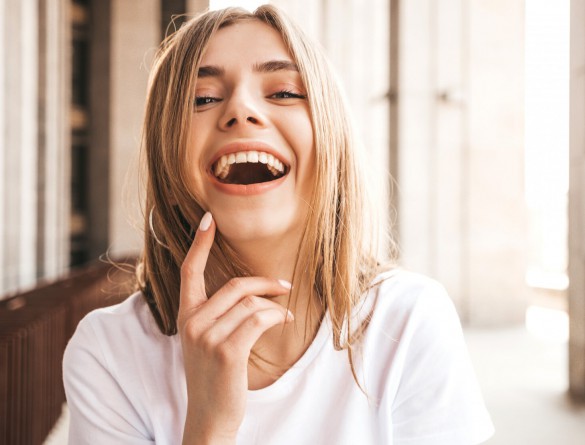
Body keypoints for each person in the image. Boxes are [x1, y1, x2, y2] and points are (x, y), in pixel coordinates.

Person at [63, 5, 494, 444]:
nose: (241, 110)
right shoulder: (107, 352)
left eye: (284, 92)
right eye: (204, 98)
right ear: (167, 164)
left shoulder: (408, 320)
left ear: (331, 144)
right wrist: (209, 426)